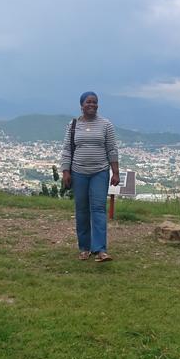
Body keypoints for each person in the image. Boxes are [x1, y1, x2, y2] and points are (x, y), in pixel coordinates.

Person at [60, 91, 120, 262]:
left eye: (95, 102)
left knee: (99, 209)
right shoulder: (73, 125)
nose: (92, 105)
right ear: (81, 105)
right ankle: (84, 248)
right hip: (78, 172)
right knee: (82, 210)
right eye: (88, 102)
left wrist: (115, 171)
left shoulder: (106, 125)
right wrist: (66, 171)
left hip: (100, 171)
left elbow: (112, 149)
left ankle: (100, 249)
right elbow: (67, 149)